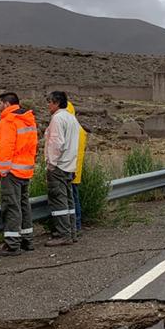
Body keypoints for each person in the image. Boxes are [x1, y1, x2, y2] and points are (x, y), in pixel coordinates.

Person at [0, 92, 38, 255]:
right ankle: (28, 241)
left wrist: (3, 171)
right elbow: (32, 146)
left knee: (11, 207)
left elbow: (6, 147)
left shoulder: (8, 121)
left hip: (11, 171)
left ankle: (12, 245)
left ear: (6, 104)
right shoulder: (28, 119)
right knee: (24, 206)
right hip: (26, 170)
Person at [44, 91, 82, 247]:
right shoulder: (72, 118)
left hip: (59, 166)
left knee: (59, 201)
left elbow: (56, 143)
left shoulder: (58, 119)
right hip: (69, 165)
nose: (48, 105)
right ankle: (71, 232)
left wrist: (51, 164)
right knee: (68, 200)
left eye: (49, 102)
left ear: (56, 103)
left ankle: (63, 234)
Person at [66, 99, 88, 239]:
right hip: (74, 169)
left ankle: (76, 225)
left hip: (71, 170)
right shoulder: (77, 127)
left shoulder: (73, 128)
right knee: (74, 198)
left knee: (72, 199)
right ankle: (76, 225)